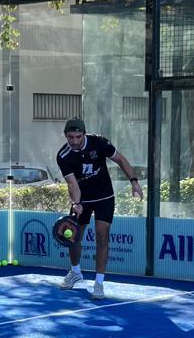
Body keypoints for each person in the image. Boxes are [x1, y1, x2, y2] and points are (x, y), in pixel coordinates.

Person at [55, 116, 142, 299]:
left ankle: (99, 283)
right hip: (82, 199)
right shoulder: (63, 156)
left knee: (102, 237)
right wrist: (76, 203)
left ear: (84, 134)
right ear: (65, 135)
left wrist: (134, 181)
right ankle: (75, 272)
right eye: (70, 137)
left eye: (78, 137)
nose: (74, 141)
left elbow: (120, 159)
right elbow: (72, 184)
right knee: (74, 237)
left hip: (104, 197)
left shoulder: (99, 143)